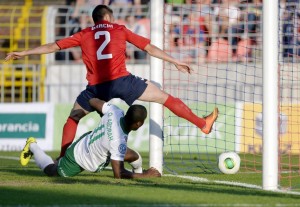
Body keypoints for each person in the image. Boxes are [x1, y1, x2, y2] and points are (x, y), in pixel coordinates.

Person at [5, 5, 219, 158]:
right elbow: (149, 48)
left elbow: (52, 46)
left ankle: (63, 158)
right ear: (109, 17)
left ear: (95, 20)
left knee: (72, 119)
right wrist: (174, 61)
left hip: (97, 88)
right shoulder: (119, 29)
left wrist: (24, 53)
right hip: (122, 81)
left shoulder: (84, 34)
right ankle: (203, 124)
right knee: (165, 99)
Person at [19, 98, 161, 179]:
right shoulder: (117, 142)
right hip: (80, 157)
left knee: (135, 157)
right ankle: (32, 145)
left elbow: (92, 101)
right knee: (53, 171)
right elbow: (119, 174)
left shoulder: (115, 111)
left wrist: (105, 119)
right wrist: (146, 175)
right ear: (139, 124)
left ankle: (139, 176)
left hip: (90, 139)